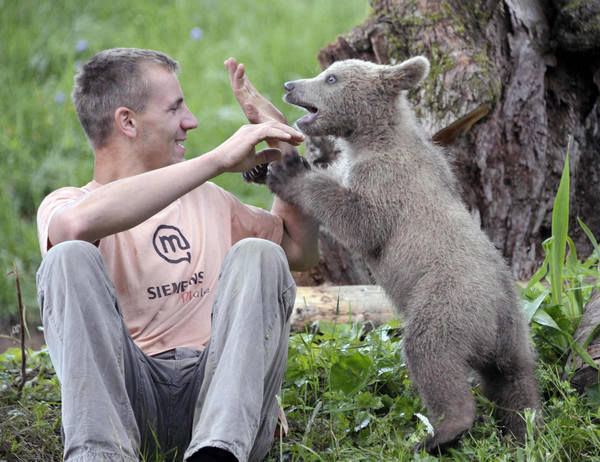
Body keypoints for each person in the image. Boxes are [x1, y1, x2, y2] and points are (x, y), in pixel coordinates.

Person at [35, 48, 319, 462]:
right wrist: (217, 160)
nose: (192, 122)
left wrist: (284, 146)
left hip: (222, 409)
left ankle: (217, 453)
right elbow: (73, 229)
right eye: (175, 108)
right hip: (129, 405)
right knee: (66, 258)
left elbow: (300, 249)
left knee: (262, 254)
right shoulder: (68, 203)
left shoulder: (208, 199)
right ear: (127, 121)